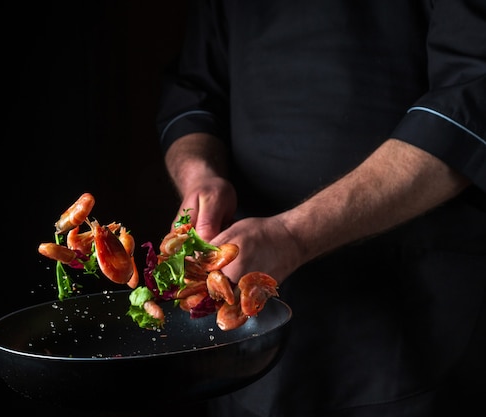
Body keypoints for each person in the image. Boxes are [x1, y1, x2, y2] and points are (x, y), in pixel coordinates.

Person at [156, 1, 486, 416]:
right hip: (247, 333)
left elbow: (471, 100)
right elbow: (193, 91)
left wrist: (294, 235)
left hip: (413, 318)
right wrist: (199, 177)